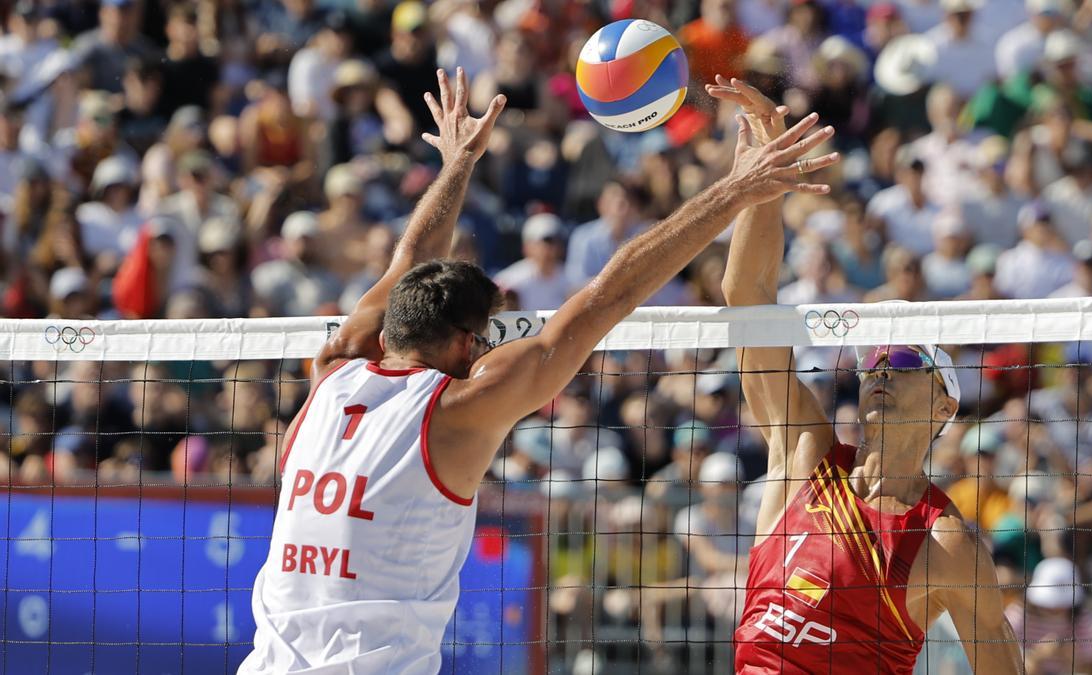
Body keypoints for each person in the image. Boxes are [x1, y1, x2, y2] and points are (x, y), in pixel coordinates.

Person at [240, 67, 840, 673]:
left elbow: (409, 262)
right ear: (464, 344)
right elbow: (609, 295)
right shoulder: (454, 412)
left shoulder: (332, 369)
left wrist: (457, 165)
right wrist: (735, 192)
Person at [710, 77, 1019, 673]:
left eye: (901, 360)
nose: (879, 368)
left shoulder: (944, 543)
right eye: (873, 358)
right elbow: (745, 299)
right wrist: (762, 183)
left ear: (943, 405)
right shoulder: (805, 451)